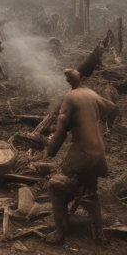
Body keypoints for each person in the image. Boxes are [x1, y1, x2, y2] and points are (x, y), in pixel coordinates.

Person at [45, 69, 118, 245]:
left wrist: (50, 152)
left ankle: (59, 234)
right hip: (99, 156)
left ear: (69, 81)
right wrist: (108, 128)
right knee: (90, 189)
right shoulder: (91, 94)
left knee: (56, 186)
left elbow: (61, 132)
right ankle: (98, 235)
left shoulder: (70, 97)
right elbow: (113, 108)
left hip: (83, 154)